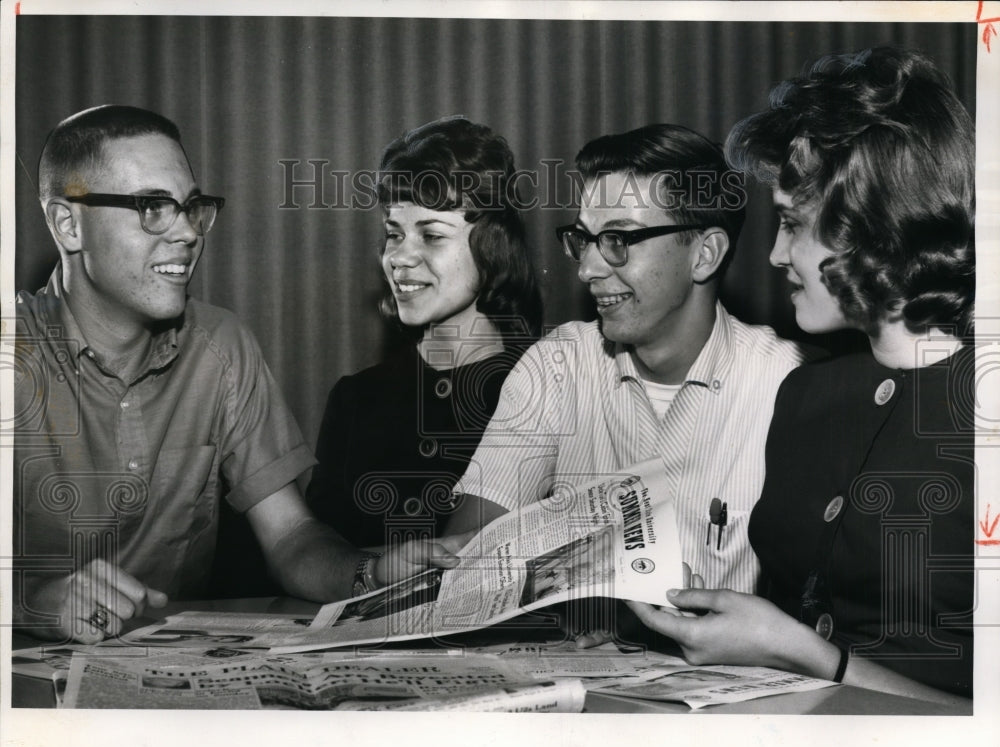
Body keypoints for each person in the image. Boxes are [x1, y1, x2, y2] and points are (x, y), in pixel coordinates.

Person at [13, 105, 459, 645]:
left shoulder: (221, 346)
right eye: (153, 206)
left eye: (191, 207)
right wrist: (30, 601)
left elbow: (292, 536)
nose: (187, 233)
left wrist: (371, 575)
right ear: (68, 225)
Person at [630, 47, 975, 706]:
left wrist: (803, 654)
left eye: (792, 224)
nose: (774, 253)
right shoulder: (805, 393)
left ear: (875, 225)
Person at [448, 124, 804, 599]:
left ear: (705, 255)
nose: (588, 269)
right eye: (584, 239)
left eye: (618, 239)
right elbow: (466, 562)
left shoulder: (788, 385)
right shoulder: (557, 367)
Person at [306, 116, 542, 547]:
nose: (399, 257)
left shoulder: (547, 388)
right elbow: (321, 558)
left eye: (431, 235)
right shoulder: (354, 399)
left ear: (492, 244)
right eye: (393, 235)